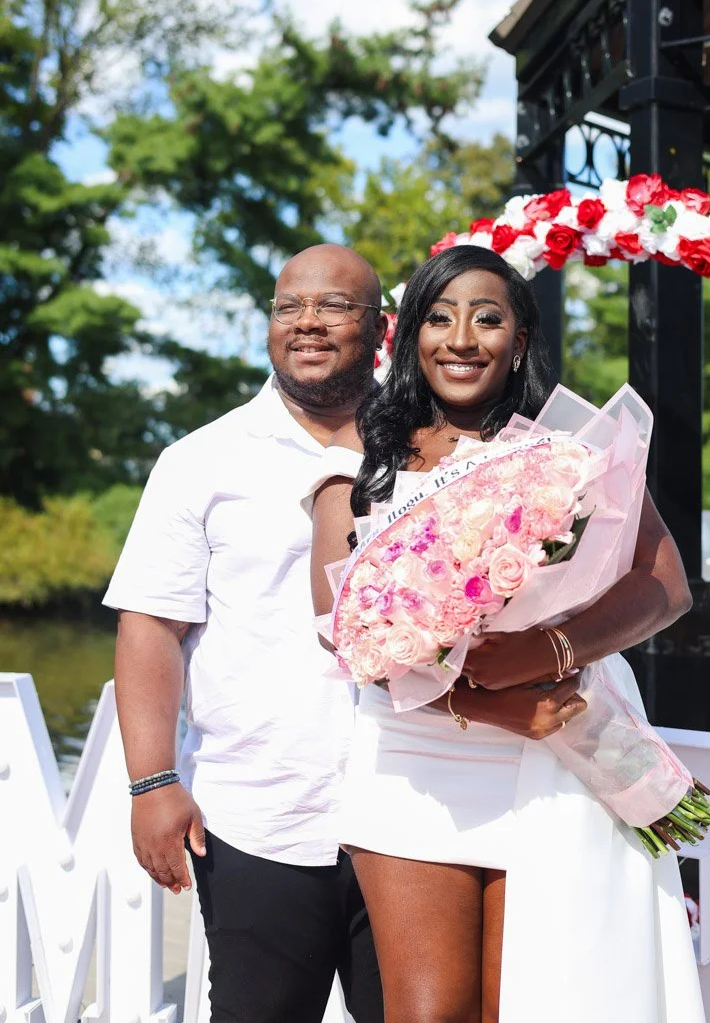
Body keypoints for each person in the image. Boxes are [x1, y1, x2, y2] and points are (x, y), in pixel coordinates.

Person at [310, 244, 706, 1023]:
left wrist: (551, 650)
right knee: (429, 1014)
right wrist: (488, 702)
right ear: (410, 337)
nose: (462, 338)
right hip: (413, 760)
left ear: (519, 340)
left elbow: (666, 585)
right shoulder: (359, 468)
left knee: (534, 1003)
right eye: (439, 316)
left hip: (561, 749)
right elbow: (345, 638)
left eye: (488, 319)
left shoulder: (566, 455)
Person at [106, 244, 387, 1023]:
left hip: (411, 806)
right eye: (287, 306)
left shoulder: (427, 448)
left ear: (378, 325)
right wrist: (152, 783)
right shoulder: (200, 460)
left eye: (333, 305)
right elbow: (151, 627)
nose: (307, 323)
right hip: (261, 812)